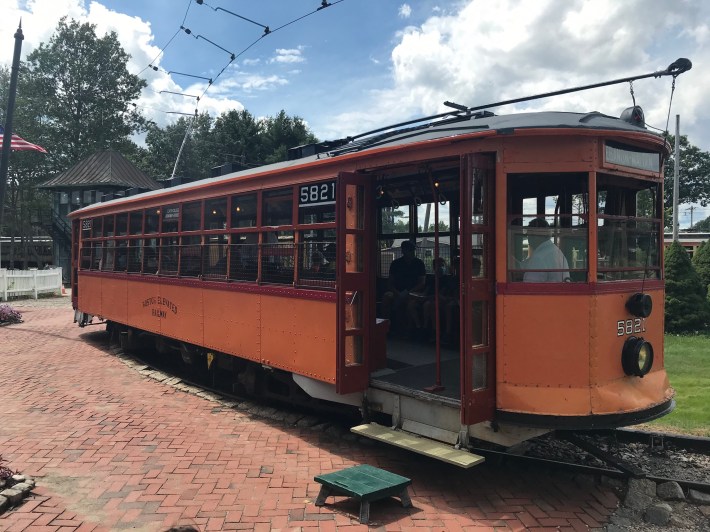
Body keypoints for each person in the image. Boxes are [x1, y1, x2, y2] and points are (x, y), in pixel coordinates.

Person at [382, 240, 426, 332]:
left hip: (414, 293)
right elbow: (390, 283)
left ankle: (409, 330)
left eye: (413, 250)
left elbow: (422, 283)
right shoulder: (396, 264)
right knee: (387, 297)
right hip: (397, 292)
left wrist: (409, 292)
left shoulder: (419, 263)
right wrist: (397, 292)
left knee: (410, 303)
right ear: (404, 251)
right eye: (410, 250)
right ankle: (386, 325)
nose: (412, 252)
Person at [523, 218, 570, 282]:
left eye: (529, 235)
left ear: (536, 235)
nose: (528, 238)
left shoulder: (539, 257)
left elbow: (529, 286)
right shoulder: (557, 252)